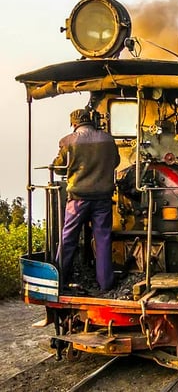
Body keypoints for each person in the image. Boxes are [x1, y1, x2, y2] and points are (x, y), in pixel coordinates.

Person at [54, 108, 120, 292]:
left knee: (68, 237)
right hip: (103, 197)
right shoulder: (108, 139)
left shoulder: (68, 141)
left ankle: (58, 279)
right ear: (90, 120)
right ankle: (105, 284)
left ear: (74, 123)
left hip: (78, 198)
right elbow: (115, 161)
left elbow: (59, 167)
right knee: (103, 239)